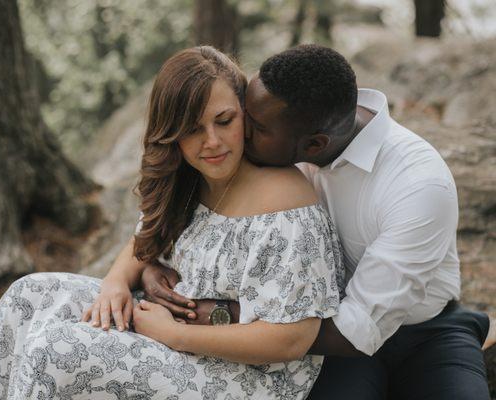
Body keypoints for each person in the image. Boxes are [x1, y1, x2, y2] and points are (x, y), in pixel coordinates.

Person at [0, 46, 345, 400]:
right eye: (192, 129)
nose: (212, 141)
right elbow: (144, 237)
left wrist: (173, 335)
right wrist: (116, 282)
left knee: (55, 353)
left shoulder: (284, 206)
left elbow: (292, 340)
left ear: (244, 113)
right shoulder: (191, 178)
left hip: (249, 378)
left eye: (224, 120)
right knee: (27, 297)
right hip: (176, 334)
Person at [140, 45, 492, 399]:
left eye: (255, 126)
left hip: (418, 333)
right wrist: (149, 263)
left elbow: (357, 332)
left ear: (314, 146)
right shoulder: (286, 124)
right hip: (325, 339)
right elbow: (174, 205)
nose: (239, 132)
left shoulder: (417, 184)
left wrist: (221, 313)